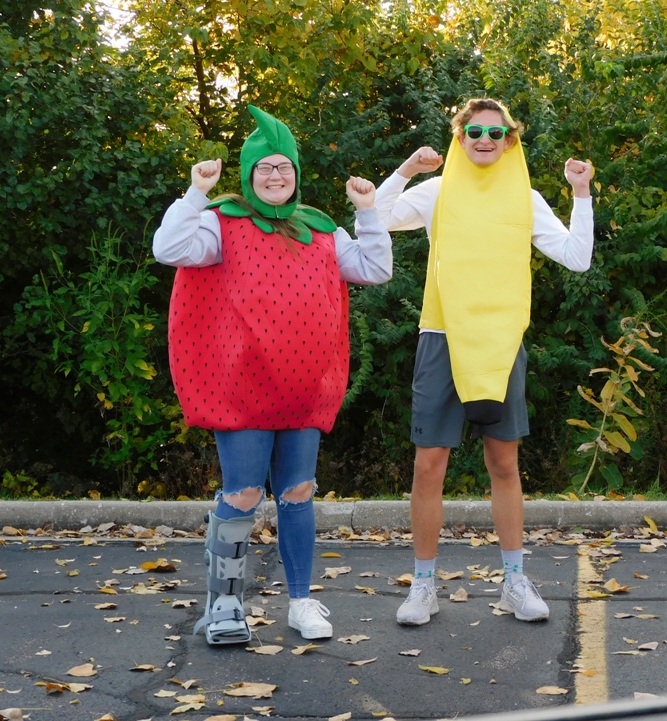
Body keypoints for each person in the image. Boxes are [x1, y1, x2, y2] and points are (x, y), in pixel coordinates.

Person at [152, 105, 392, 645]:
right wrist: (196, 193)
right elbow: (168, 249)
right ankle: (225, 605)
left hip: (304, 388)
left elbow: (375, 269)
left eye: (285, 167)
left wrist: (368, 212)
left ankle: (301, 602)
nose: (276, 175)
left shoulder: (320, 228)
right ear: (248, 174)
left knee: (299, 492)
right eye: (265, 167)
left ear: (297, 174)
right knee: (242, 494)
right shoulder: (220, 221)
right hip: (241, 389)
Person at [374, 98, 594, 626]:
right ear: (460, 137)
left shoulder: (525, 197)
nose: (485, 139)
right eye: (474, 131)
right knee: (429, 466)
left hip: (499, 344)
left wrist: (581, 193)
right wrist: (407, 169)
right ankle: (423, 586)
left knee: (504, 465)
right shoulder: (439, 190)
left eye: (496, 133)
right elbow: (375, 219)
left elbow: (577, 257)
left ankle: (514, 582)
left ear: (510, 140)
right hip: (441, 337)